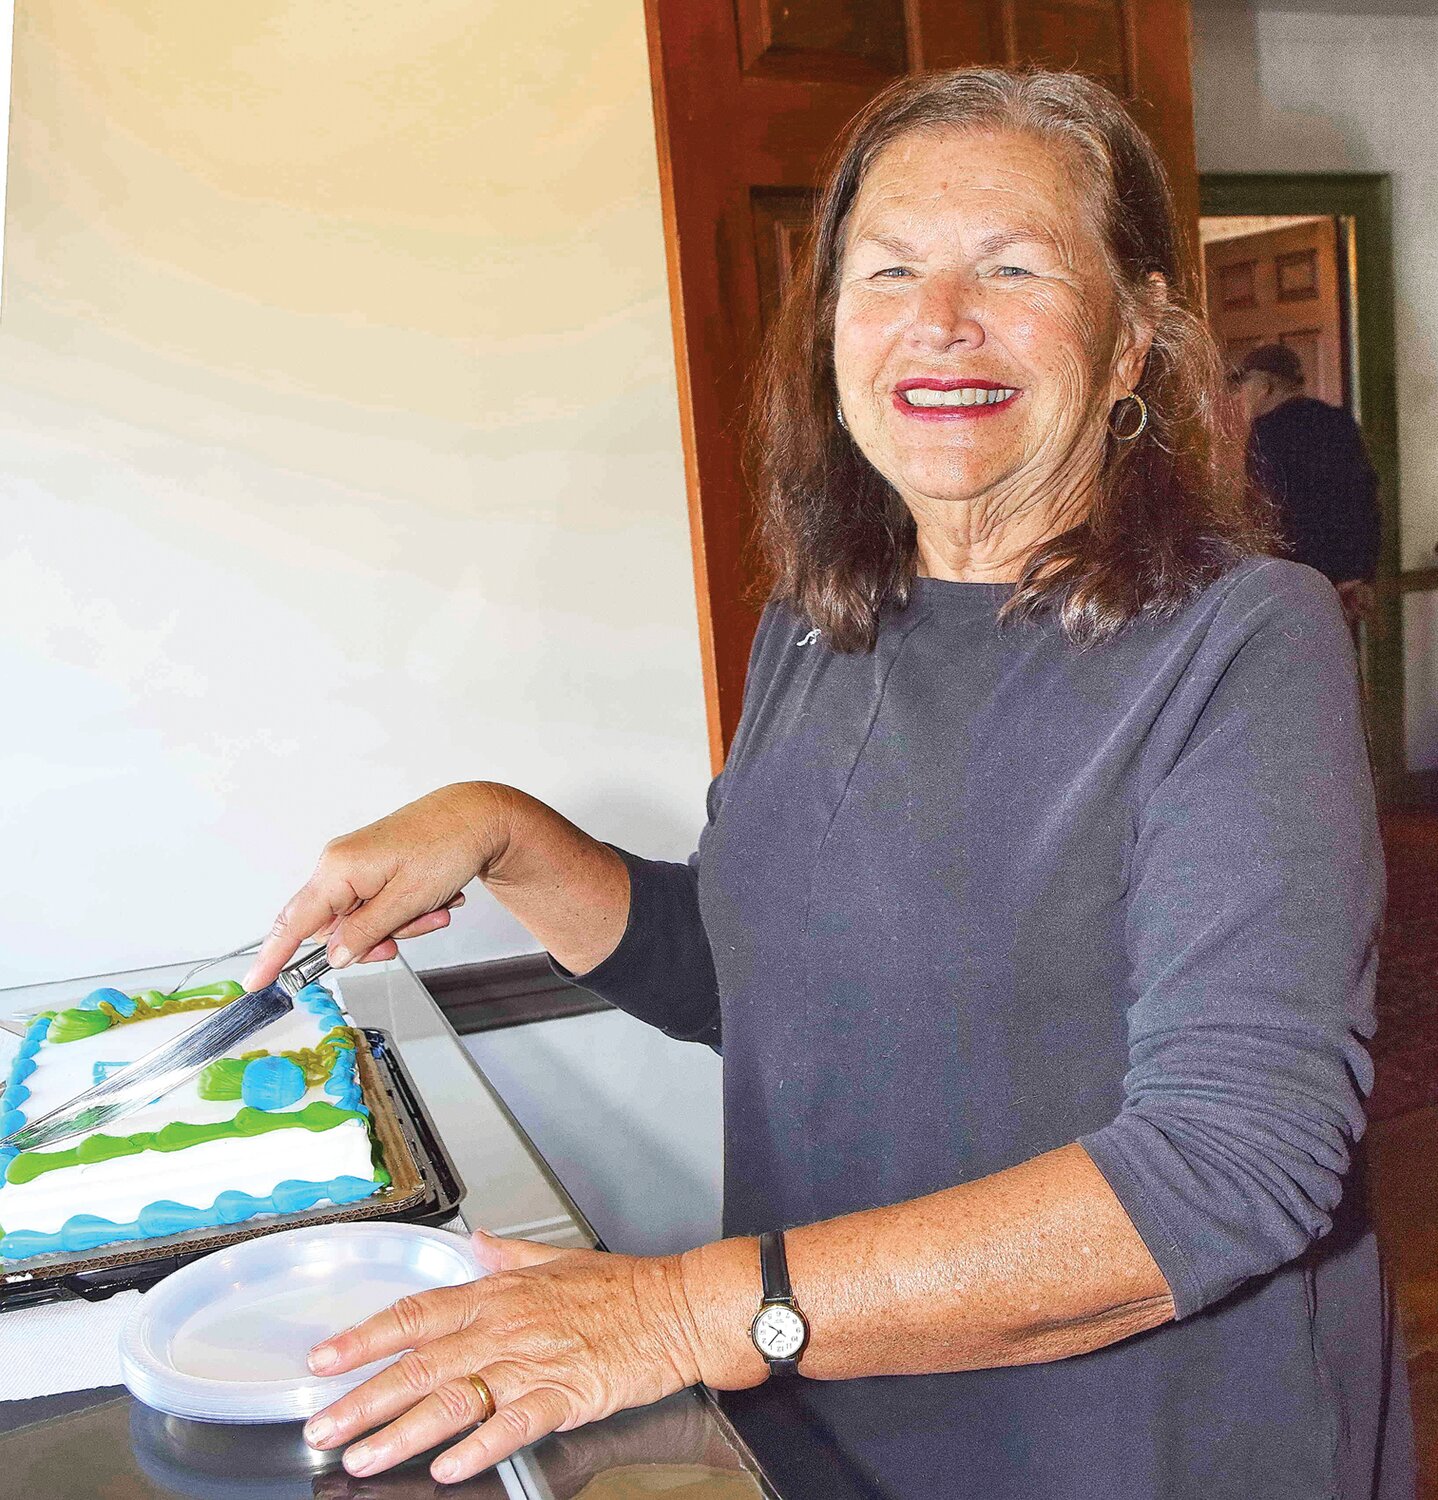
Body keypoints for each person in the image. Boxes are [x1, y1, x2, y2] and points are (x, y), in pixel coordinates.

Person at [245, 69, 1413, 1499]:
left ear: (1132, 343)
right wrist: (509, 834)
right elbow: (769, 988)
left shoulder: (1246, 639)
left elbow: (1232, 1162)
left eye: (1012, 268)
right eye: (889, 272)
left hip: (1128, 1444)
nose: (939, 321)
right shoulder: (823, 621)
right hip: (829, 1411)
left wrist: (684, 1310)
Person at [1235, 341, 1383, 626]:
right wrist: (1359, 573)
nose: (1241, 394)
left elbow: (1262, 517)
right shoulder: (1338, 423)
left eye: (1245, 384)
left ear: (1265, 386)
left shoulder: (1263, 436)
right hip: (1343, 585)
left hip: (1289, 587)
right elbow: (1365, 498)